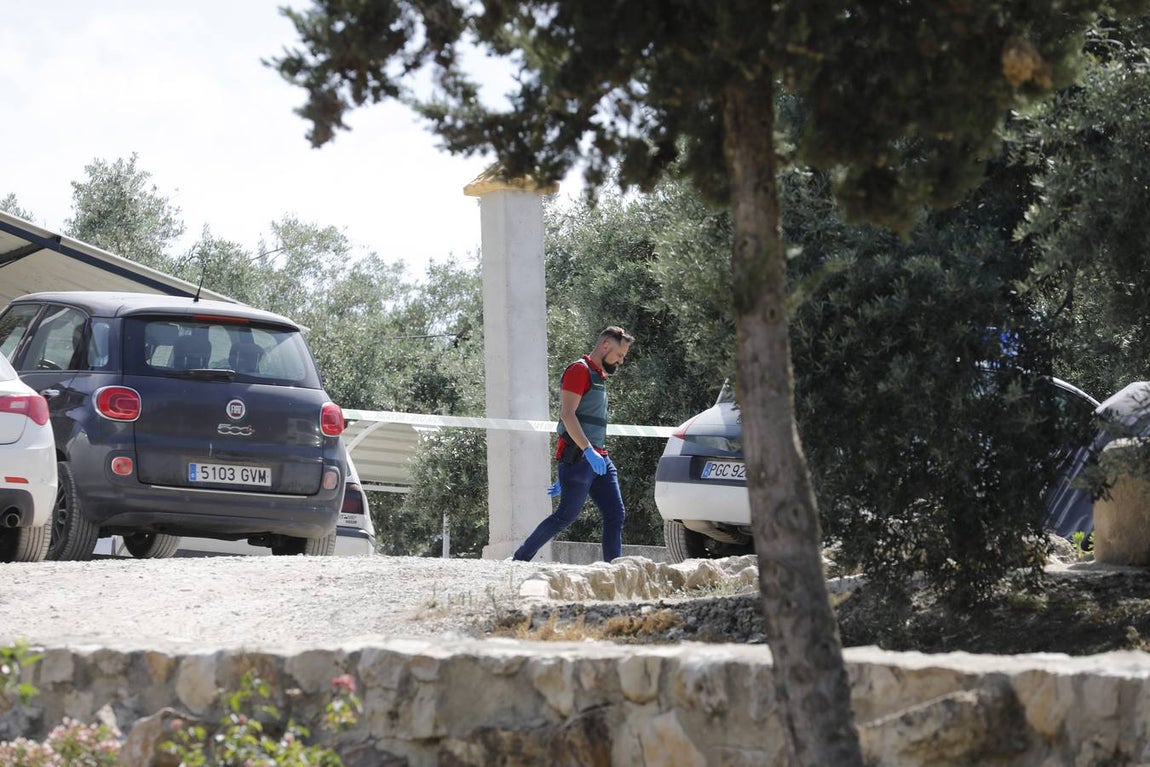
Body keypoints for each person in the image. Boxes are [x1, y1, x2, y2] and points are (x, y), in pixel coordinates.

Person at [512, 326, 635, 562]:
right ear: (606, 345)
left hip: (600, 459)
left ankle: (613, 570)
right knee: (565, 516)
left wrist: (594, 454)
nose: (621, 361)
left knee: (615, 514)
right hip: (580, 458)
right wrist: (585, 453)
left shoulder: (598, 376)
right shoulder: (579, 370)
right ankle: (520, 559)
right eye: (620, 355)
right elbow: (568, 415)